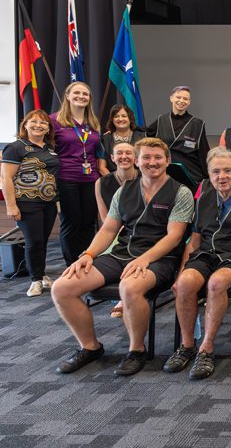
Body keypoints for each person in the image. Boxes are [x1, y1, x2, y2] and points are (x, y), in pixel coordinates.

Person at [50, 138, 194, 377]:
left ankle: (136, 350)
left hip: (161, 259)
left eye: (158, 157)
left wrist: (145, 259)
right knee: (61, 288)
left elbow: (174, 236)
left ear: (168, 161)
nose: (152, 162)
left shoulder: (181, 192)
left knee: (129, 287)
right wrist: (88, 254)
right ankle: (90, 347)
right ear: (137, 161)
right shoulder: (123, 190)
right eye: (146, 157)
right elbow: (108, 229)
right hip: (121, 254)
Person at [164, 147, 231, 380]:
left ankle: (206, 348)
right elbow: (194, 241)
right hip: (207, 254)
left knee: (216, 283)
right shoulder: (203, 198)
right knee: (184, 284)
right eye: (216, 172)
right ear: (209, 174)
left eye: (227, 171)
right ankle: (186, 346)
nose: (221, 176)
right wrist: (183, 269)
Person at [1, 110, 59, 298]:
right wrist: (11, 205)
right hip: (26, 203)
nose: (38, 125)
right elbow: (6, 178)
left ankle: (41, 274)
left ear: (48, 128)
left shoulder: (49, 148)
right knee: (33, 242)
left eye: (43, 123)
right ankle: (35, 281)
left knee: (42, 241)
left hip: (48, 203)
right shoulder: (15, 147)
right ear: (25, 125)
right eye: (33, 122)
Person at [51, 81, 106, 265]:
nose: (81, 96)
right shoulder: (54, 121)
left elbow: (98, 152)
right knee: (71, 223)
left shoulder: (93, 123)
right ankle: (71, 265)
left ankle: (86, 261)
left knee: (89, 223)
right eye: (77, 93)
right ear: (67, 95)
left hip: (91, 179)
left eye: (85, 94)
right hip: (67, 179)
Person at [96, 141, 140, 320]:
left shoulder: (146, 178)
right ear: (112, 158)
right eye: (119, 153)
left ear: (135, 158)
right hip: (115, 231)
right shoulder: (101, 183)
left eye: (128, 153)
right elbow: (105, 219)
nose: (124, 157)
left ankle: (123, 297)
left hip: (140, 231)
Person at [146, 86, 210, 187]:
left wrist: (208, 177)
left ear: (189, 102)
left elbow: (204, 152)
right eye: (178, 97)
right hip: (164, 172)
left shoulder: (198, 124)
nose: (181, 101)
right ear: (171, 98)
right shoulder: (161, 120)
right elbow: (144, 134)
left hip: (190, 175)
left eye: (185, 99)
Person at [98, 105, 145, 174]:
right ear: (112, 120)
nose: (120, 119)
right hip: (113, 181)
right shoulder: (105, 139)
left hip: (139, 181)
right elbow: (102, 168)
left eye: (124, 116)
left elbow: (147, 163)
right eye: (116, 116)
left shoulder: (142, 137)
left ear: (130, 118)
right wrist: (115, 182)